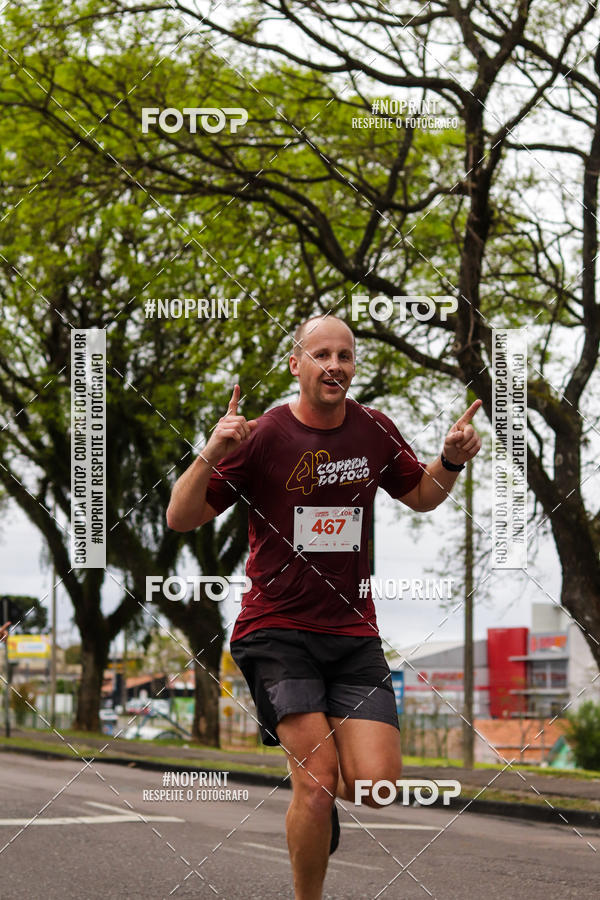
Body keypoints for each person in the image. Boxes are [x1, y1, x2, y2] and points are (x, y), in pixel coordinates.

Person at [167, 315, 482, 900]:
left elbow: (421, 496)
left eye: (344, 355)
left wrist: (452, 461)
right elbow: (180, 518)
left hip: (353, 631)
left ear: (353, 365)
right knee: (315, 784)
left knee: (376, 787)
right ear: (297, 364)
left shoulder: (373, 430)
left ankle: (322, 794)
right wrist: (211, 449)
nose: (334, 364)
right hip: (275, 630)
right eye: (321, 354)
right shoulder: (261, 436)